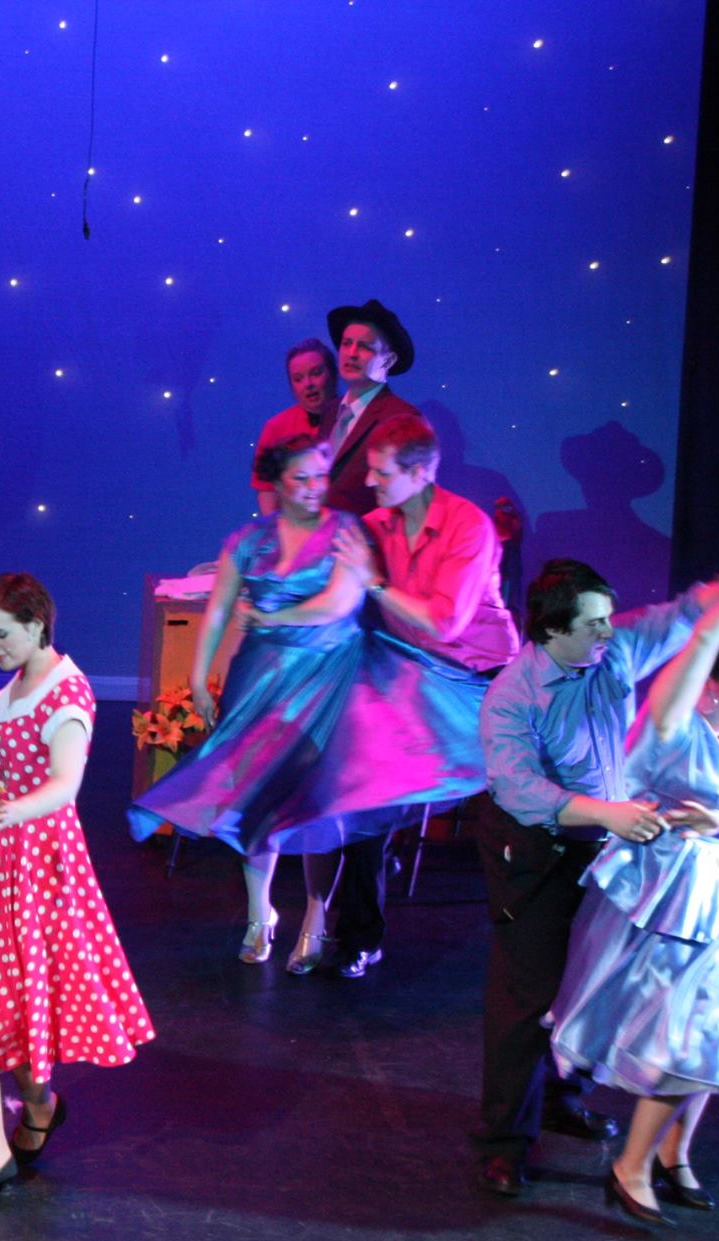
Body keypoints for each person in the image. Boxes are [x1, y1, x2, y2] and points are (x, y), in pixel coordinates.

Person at [473, 554, 719, 1198]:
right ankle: (503, 1143)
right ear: (553, 629)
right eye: (594, 624)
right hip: (539, 847)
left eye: (609, 619)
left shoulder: (612, 652)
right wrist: (608, 812)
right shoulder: (513, 695)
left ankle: (561, 1099)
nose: (609, 632)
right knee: (529, 995)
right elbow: (521, 790)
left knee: (593, 977)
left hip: (604, 841)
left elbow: (681, 619)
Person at [128, 440, 490, 972]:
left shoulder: (346, 530)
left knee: (317, 800)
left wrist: (272, 618)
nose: (314, 488)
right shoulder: (248, 541)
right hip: (262, 678)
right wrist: (199, 676)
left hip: (327, 678)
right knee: (256, 794)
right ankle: (260, 914)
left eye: (320, 476)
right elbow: (220, 609)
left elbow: (339, 603)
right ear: (278, 484)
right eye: (301, 478)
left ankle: (316, 919)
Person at [548, 564, 719, 1227]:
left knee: (715, 1041)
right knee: (686, 1043)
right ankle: (631, 1166)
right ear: (709, 681)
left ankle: (673, 1154)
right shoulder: (671, 727)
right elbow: (696, 647)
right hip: (672, 906)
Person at [0, 573, 155, 1207]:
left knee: (19, 1008)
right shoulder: (16, 684)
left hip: (32, 868)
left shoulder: (66, 692)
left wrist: (7, 813)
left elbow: (65, 786)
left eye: (1, 634)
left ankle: (39, 1106)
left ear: (36, 625)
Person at [313, 414, 522, 980]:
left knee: (509, 803)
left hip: (476, 678)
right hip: (415, 674)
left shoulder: (467, 525)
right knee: (365, 785)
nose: (371, 483)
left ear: (423, 472)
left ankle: (531, 930)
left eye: (382, 474)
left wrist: (375, 582)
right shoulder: (375, 526)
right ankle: (360, 935)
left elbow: (445, 623)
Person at [320, 299, 422, 518]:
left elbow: (407, 502)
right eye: (346, 343)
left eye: (365, 346)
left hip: (370, 537)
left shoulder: (401, 417)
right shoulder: (330, 411)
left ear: (389, 360)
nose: (351, 353)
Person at [252, 338, 340, 516]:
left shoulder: (355, 416)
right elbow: (267, 492)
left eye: (316, 373)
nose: (308, 384)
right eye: (298, 379)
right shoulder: (276, 428)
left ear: (333, 374)